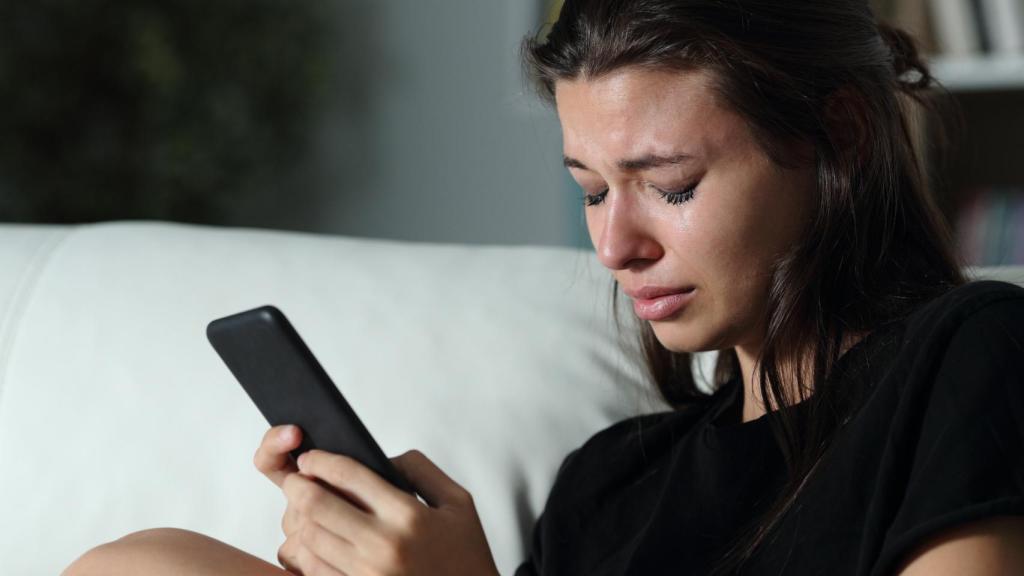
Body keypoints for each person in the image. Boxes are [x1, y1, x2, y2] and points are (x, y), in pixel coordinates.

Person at [63, 1, 1024, 575]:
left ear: (840, 139)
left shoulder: (968, 358)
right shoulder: (612, 483)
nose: (616, 245)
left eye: (671, 185)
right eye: (592, 192)